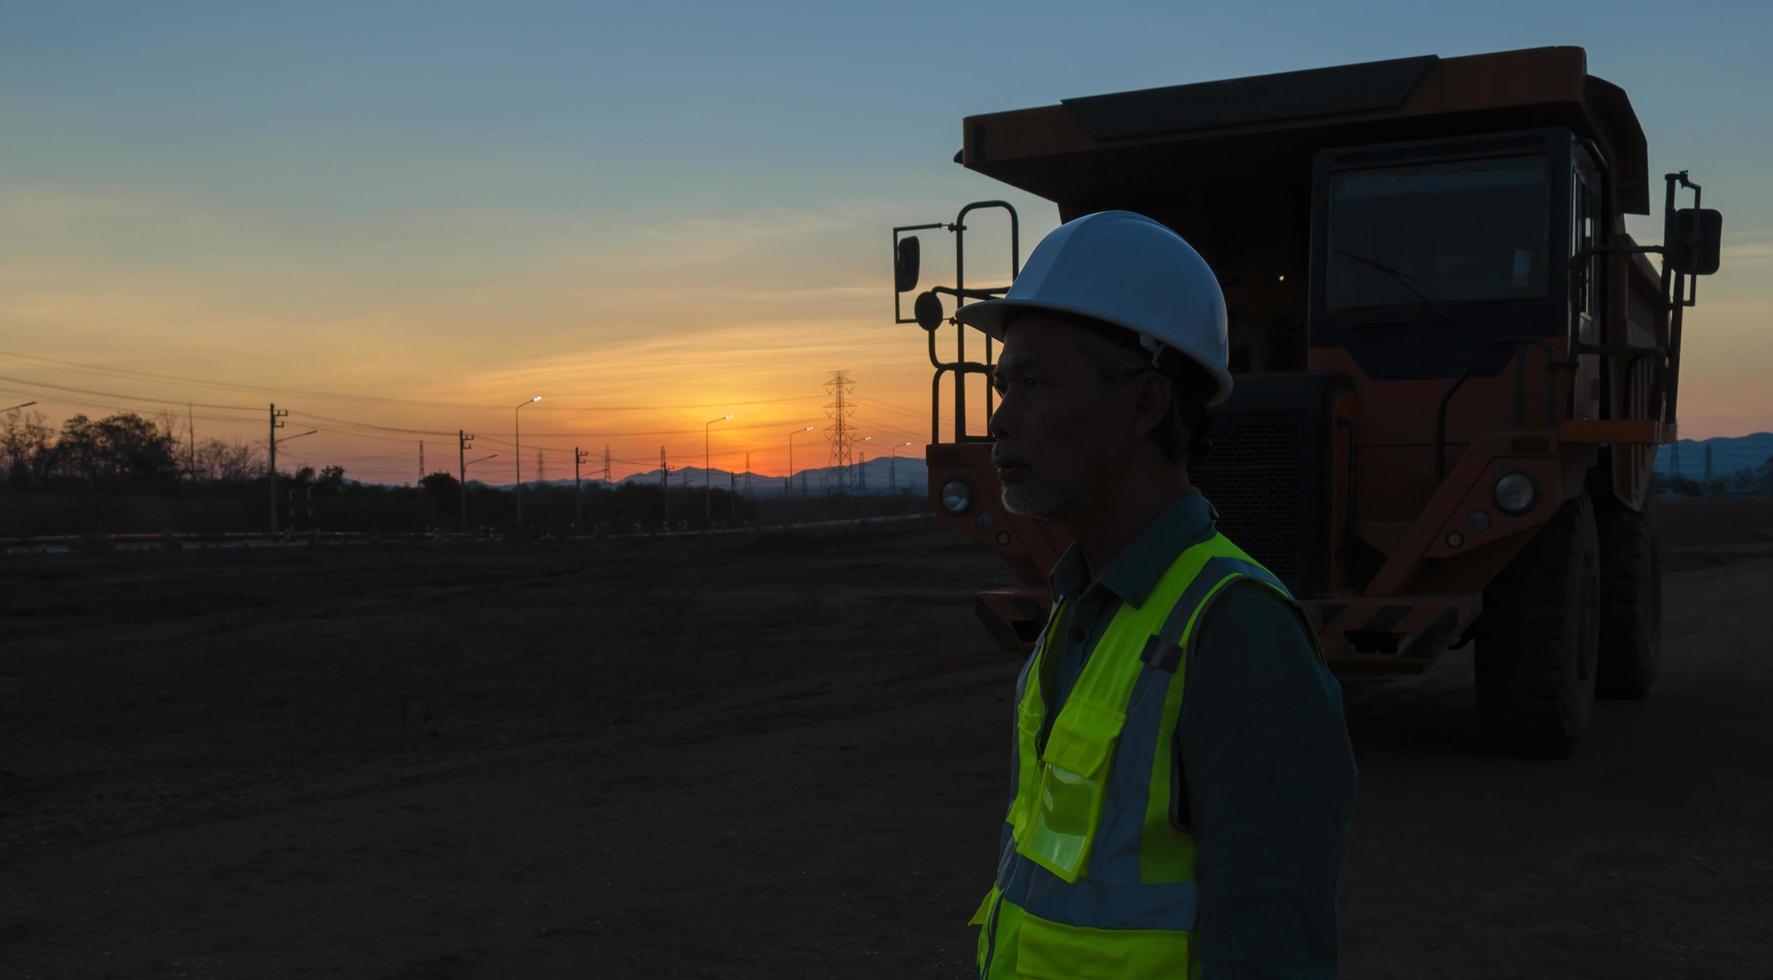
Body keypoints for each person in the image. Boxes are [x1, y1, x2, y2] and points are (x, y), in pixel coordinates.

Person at [958, 211, 1358, 978]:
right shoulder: (1082, 607)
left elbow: (1272, 944)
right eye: (1000, 386)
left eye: (1033, 384)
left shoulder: (1238, 632)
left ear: (1144, 405)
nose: (999, 421)